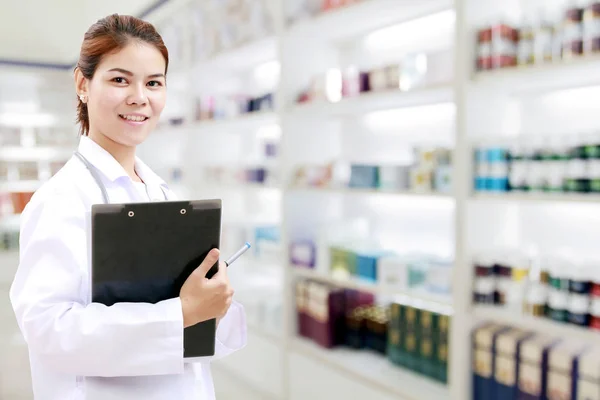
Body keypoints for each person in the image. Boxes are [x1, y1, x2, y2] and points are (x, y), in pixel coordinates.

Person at [9, 14, 246, 400]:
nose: (140, 97)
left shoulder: (162, 192)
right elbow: (48, 329)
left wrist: (213, 301)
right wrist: (181, 313)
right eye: (120, 80)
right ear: (83, 84)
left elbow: (189, 324)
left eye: (154, 83)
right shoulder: (60, 199)